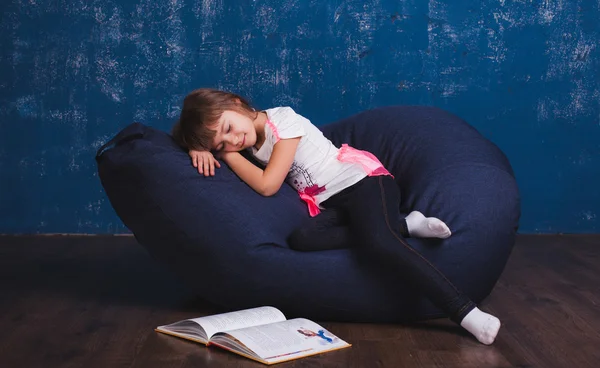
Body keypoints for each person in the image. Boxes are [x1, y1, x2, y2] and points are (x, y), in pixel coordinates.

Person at [171, 88, 501, 345]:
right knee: (302, 240)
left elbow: (269, 185)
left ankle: (465, 312)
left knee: (379, 243)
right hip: (334, 203)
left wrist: (225, 155)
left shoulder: (282, 121)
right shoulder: (248, 146)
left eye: (228, 128)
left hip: (366, 182)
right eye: (221, 144)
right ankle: (406, 224)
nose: (232, 140)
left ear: (237, 102)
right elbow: (195, 140)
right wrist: (197, 148)